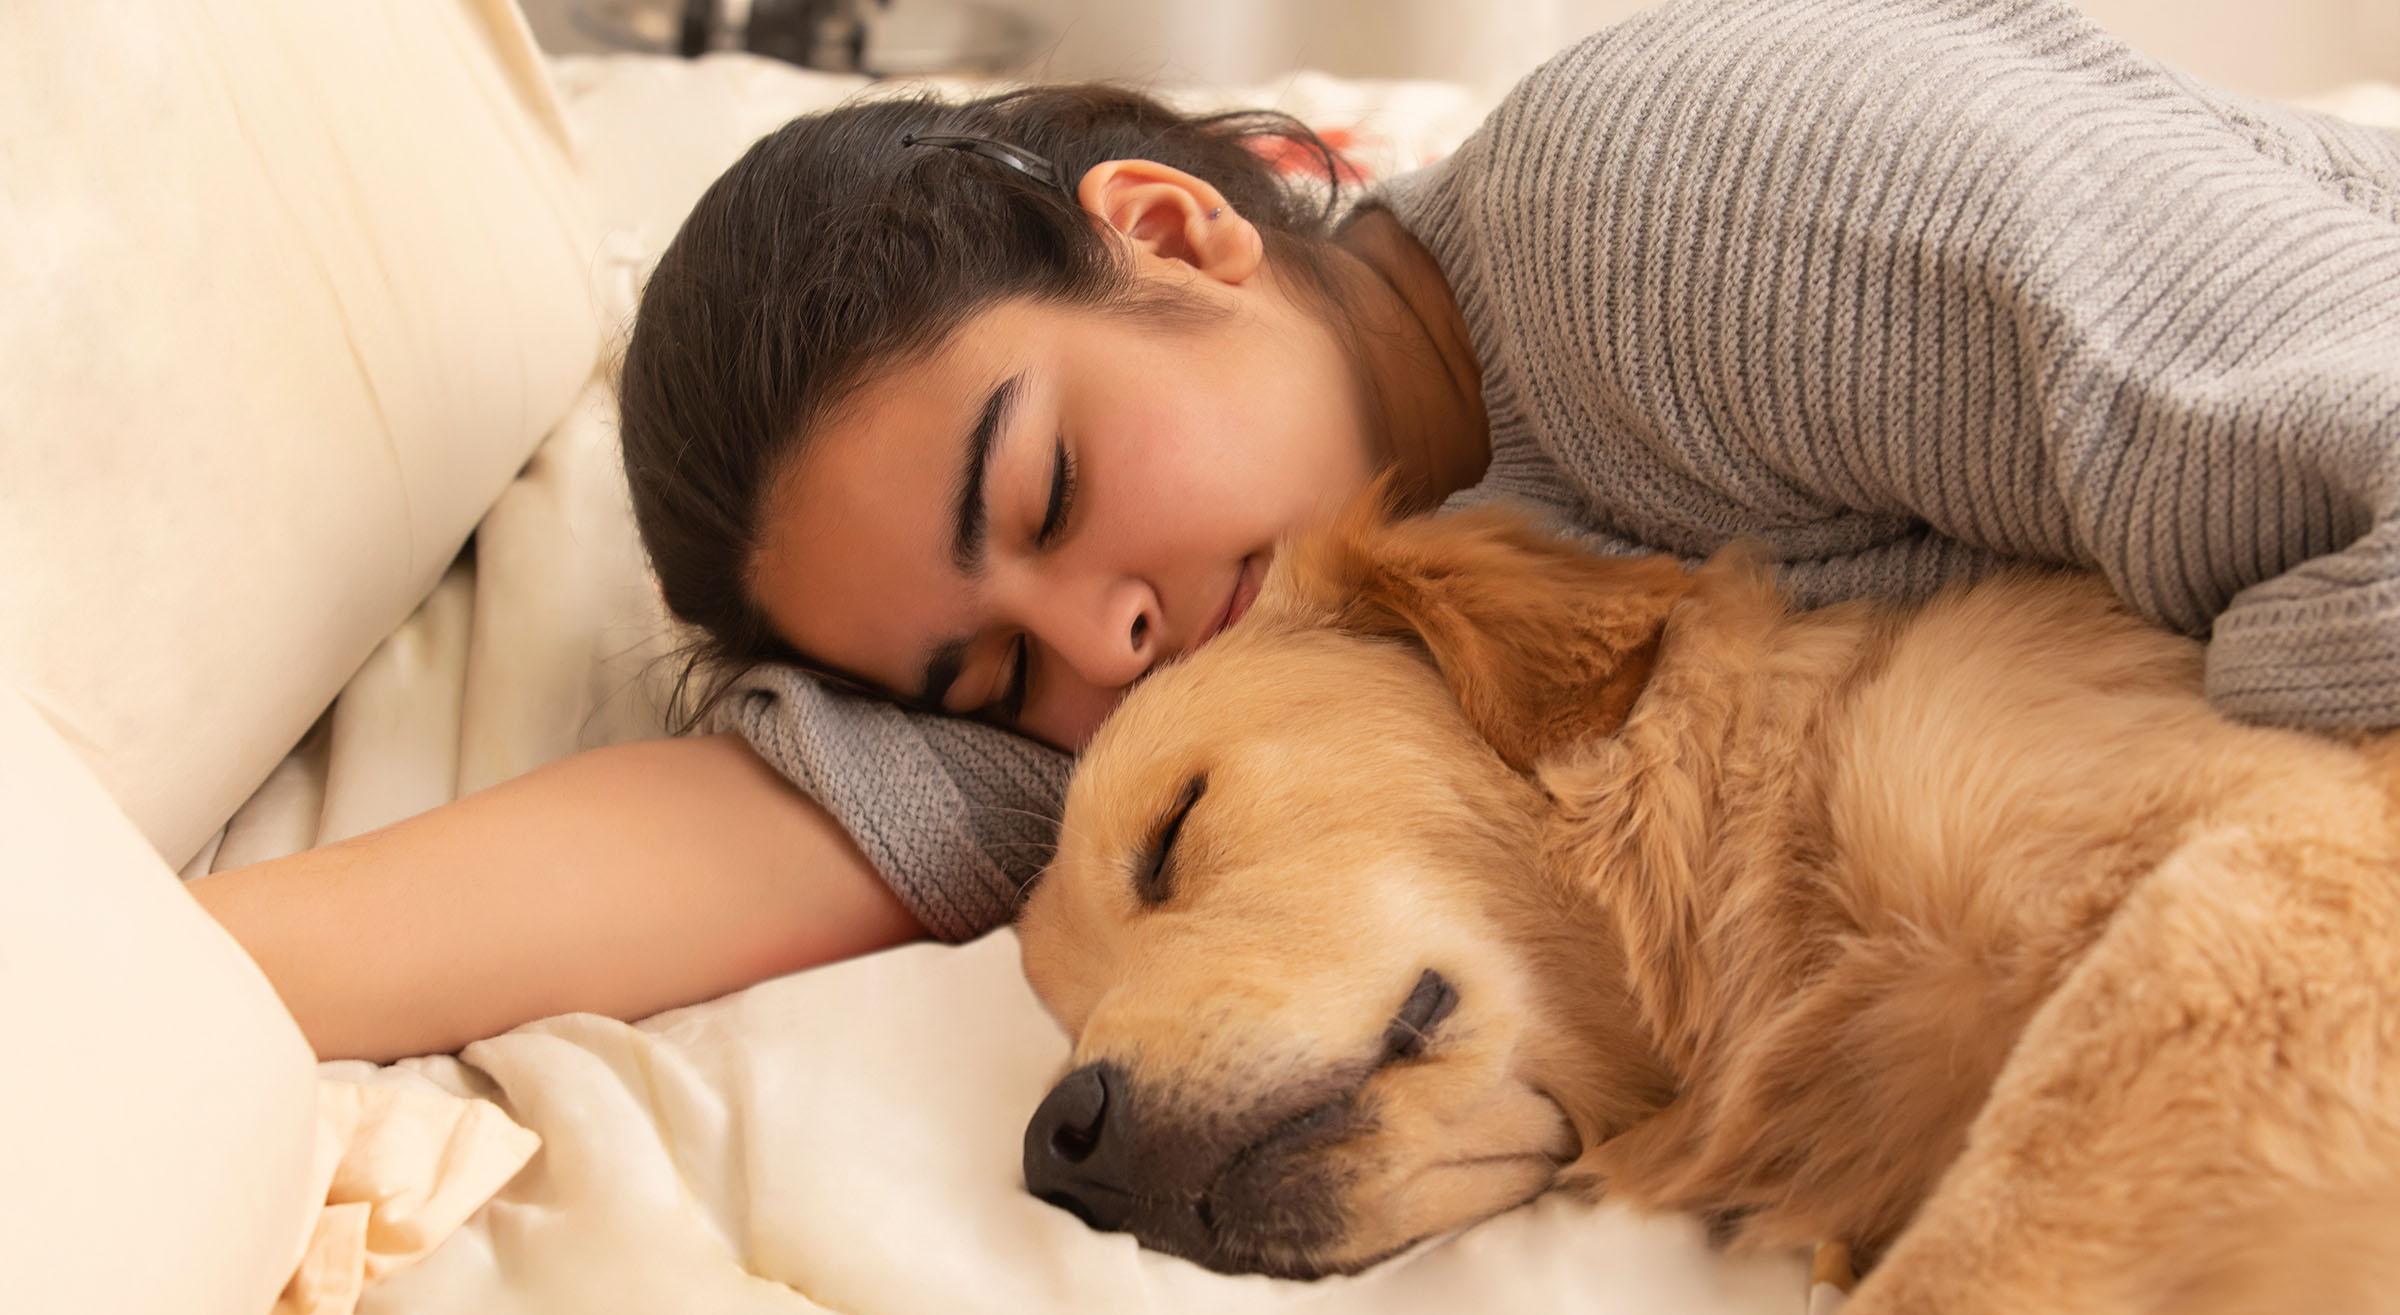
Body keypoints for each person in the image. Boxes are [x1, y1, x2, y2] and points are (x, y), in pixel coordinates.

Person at [193, 0, 2400, 1065]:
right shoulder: (1257, 664)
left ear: (1170, 230)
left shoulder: (1664, 223)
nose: (1106, 645)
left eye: (1047, 494)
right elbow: (759, 832)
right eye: (992, 673)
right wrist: (122, 977)